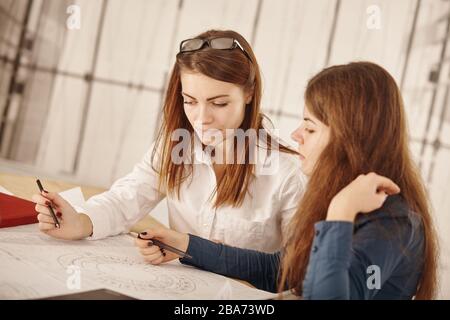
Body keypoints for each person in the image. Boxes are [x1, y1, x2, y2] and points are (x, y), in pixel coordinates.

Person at [132, 62, 438, 300]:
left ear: (349, 141)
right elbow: (283, 272)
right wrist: (187, 246)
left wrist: (340, 214)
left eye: (310, 128)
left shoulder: (394, 222)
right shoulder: (343, 197)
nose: (295, 136)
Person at [32, 29, 306, 256]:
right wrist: (80, 221)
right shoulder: (176, 146)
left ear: (249, 93)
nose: (202, 118)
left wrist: (190, 250)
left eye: (219, 103)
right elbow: (124, 200)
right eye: (189, 101)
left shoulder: (288, 170)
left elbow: (294, 271)